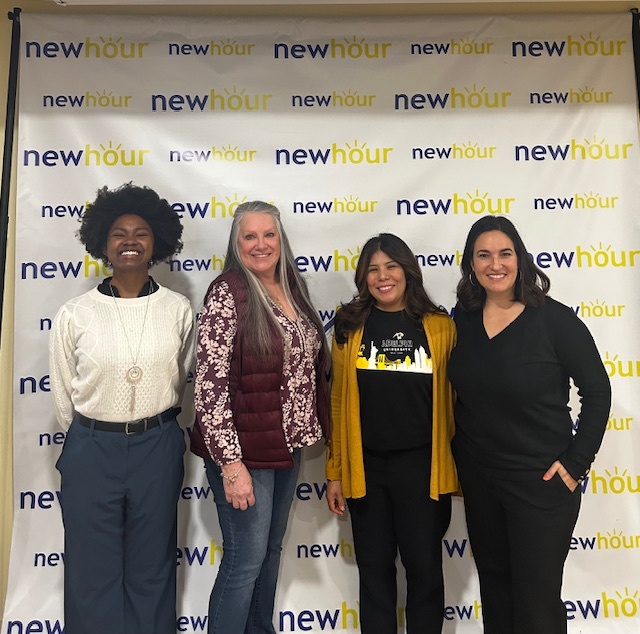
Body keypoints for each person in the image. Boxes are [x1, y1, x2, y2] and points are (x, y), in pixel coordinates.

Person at [448, 216, 611, 634]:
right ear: (470, 263)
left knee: (536, 605)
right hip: (480, 481)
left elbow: (597, 392)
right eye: (483, 255)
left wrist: (575, 465)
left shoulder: (555, 320)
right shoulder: (462, 318)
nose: (495, 264)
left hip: (541, 483)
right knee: (497, 594)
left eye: (505, 253)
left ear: (520, 258)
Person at [49, 182, 195, 634]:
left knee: (152, 564)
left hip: (158, 445)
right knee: (91, 568)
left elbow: (180, 376)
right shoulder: (75, 313)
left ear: (158, 242)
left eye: (141, 233)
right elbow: (64, 394)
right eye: (119, 233)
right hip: (92, 448)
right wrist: (94, 434)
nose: (130, 241)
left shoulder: (178, 309)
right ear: (102, 243)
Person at [190, 200, 329, 634]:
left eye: (269, 234)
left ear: (280, 240)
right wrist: (231, 465)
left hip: (285, 445)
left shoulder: (292, 287)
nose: (260, 244)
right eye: (249, 236)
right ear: (236, 244)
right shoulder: (228, 292)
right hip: (245, 452)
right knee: (245, 560)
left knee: (269, 553)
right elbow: (209, 386)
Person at [325, 233, 458, 634]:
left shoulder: (440, 328)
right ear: (363, 277)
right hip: (367, 471)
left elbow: (457, 400)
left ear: (408, 271)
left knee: (425, 572)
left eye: (391, 267)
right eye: (373, 270)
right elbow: (337, 402)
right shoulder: (349, 327)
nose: (383, 277)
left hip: (423, 470)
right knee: (374, 572)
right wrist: (335, 472)